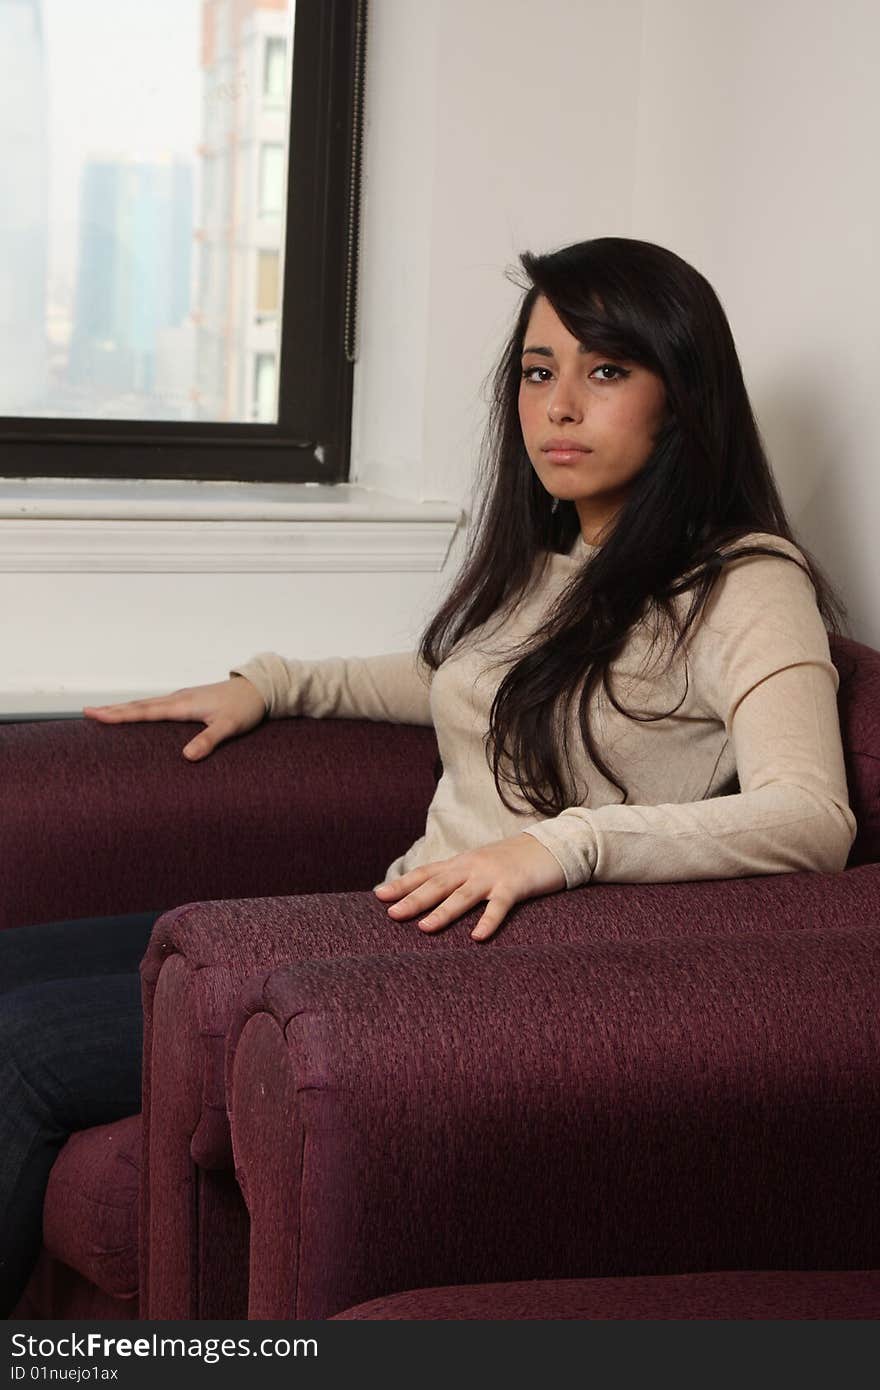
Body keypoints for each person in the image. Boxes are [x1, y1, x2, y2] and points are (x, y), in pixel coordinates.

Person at [0, 236, 855, 1315]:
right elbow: (462, 682)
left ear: (682, 398)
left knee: (28, 1049)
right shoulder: (557, 560)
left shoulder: (743, 583)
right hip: (390, 911)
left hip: (462, 972)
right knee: (11, 965)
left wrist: (563, 842)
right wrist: (271, 684)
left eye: (604, 371)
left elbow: (811, 816)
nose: (558, 407)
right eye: (539, 373)